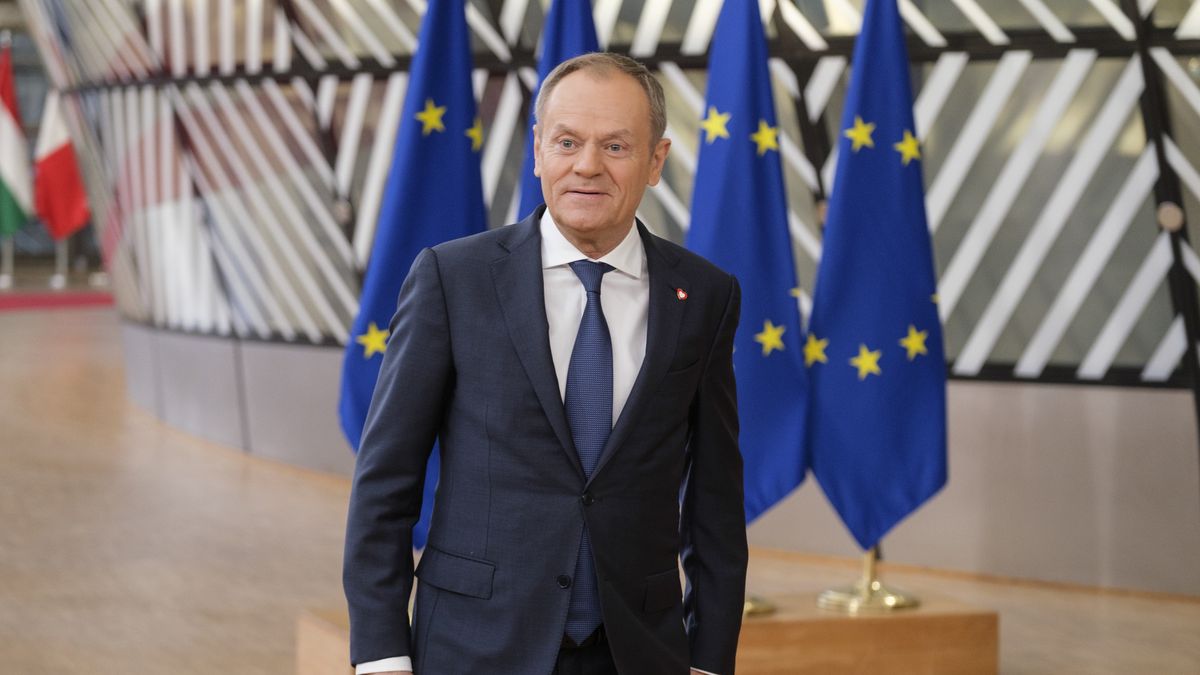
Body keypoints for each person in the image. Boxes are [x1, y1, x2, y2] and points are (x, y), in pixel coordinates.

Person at [343, 52, 747, 675]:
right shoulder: (454, 278)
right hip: (472, 648)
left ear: (656, 162)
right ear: (537, 150)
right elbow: (385, 483)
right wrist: (381, 655)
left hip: (638, 651)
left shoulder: (704, 296)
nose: (587, 165)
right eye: (567, 141)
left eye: (615, 146)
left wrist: (710, 658)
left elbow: (715, 504)